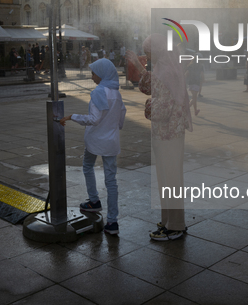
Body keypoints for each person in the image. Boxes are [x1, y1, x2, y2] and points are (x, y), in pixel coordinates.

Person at [126, 34, 192, 241]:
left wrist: (147, 107)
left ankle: (174, 226)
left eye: (148, 52)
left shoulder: (166, 70)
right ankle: (169, 221)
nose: (147, 56)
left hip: (167, 133)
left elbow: (160, 108)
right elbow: (148, 87)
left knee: (169, 179)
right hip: (170, 133)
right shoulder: (168, 66)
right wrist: (139, 65)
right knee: (168, 178)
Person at [60, 59, 126, 235]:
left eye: (94, 73)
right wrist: (112, 128)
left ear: (102, 74)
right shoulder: (116, 93)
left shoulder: (98, 92)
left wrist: (72, 116)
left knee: (88, 166)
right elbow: (121, 117)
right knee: (111, 181)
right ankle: (112, 222)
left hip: (94, 141)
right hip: (111, 143)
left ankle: (94, 201)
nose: (92, 76)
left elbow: (94, 119)